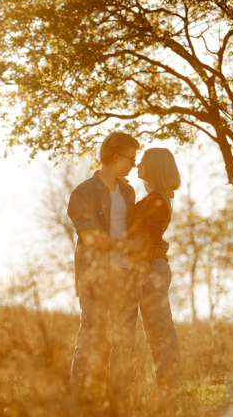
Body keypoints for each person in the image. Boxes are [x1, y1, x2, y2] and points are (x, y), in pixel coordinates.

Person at [67, 132, 146, 405]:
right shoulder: (83, 193)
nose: (134, 166)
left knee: (125, 346)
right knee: (90, 343)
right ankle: (79, 404)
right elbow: (90, 237)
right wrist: (128, 246)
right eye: (131, 159)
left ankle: (120, 405)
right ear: (116, 157)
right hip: (96, 278)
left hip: (125, 277)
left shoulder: (128, 191)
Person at [128, 147, 182, 402]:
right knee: (154, 335)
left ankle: (170, 390)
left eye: (142, 162)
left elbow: (149, 238)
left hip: (150, 270)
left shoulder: (157, 199)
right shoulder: (154, 198)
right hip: (149, 268)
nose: (137, 165)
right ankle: (164, 391)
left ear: (155, 167)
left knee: (162, 331)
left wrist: (139, 276)